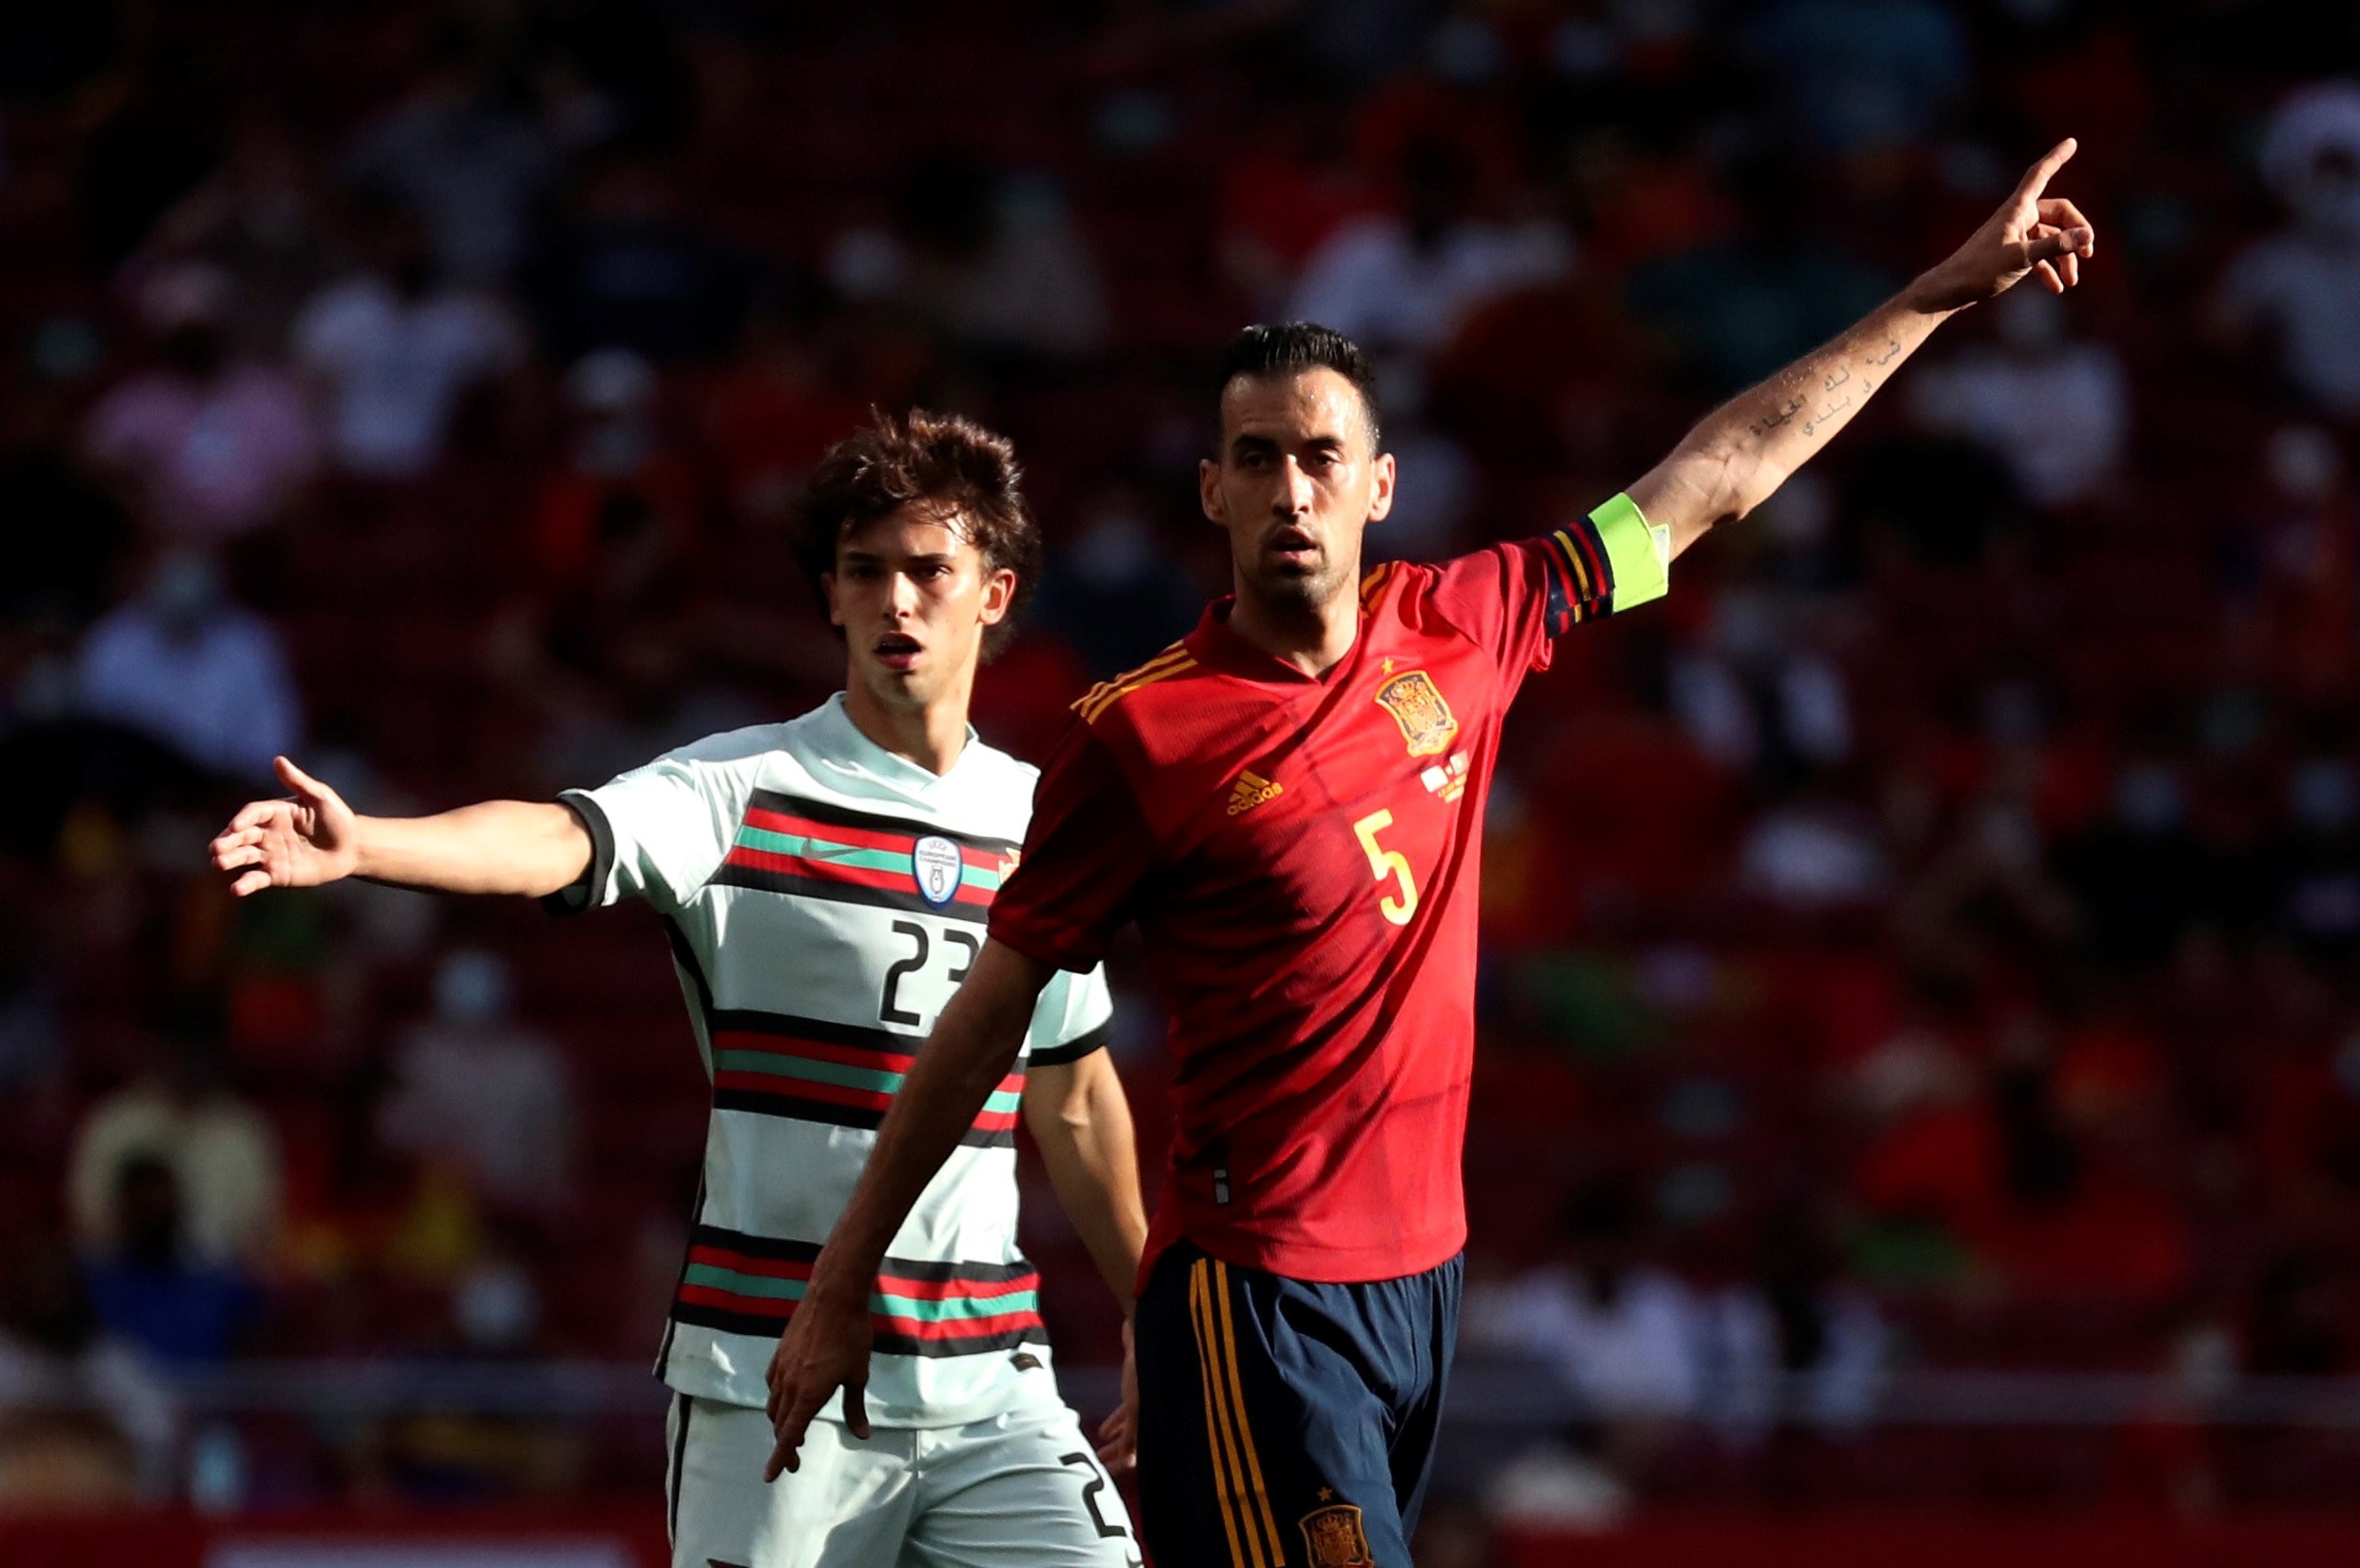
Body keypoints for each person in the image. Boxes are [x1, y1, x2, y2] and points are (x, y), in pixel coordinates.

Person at [765, 142, 2097, 1566]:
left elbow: (1719, 479)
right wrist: (846, 1283)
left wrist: (1938, 298)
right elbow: (991, 1015)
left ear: (1379, 484)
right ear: (1211, 493)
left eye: (1320, 456)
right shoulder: (1145, 737)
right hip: (1259, 1298)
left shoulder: (1471, 625)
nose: (1292, 488)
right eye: (1258, 459)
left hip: (1423, 1281)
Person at [208, 410, 1150, 1568]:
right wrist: (374, 845)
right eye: (865, 573)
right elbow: (559, 836)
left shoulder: (1035, 821)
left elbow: (1074, 1097)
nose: (897, 602)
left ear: (993, 594)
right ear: (829, 597)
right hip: (772, 1376)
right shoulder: (740, 787)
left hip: (994, 1387)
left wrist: (1150, 1309)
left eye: (928, 571)